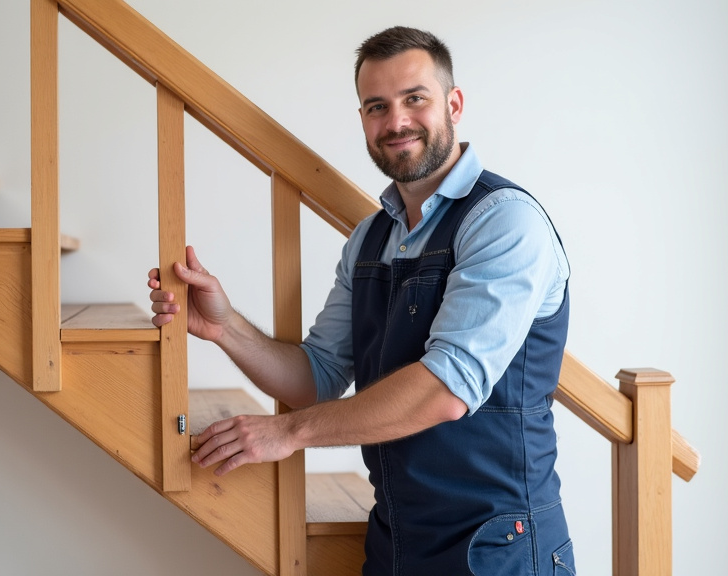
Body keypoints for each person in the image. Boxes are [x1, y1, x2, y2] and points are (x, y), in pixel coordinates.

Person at [148, 26, 575, 576]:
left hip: (499, 546)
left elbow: (447, 389)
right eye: (378, 107)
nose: (396, 122)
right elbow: (318, 375)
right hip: (396, 538)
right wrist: (225, 327)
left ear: (454, 104)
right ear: (364, 122)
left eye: (414, 99)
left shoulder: (504, 220)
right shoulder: (371, 237)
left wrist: (286, 433)